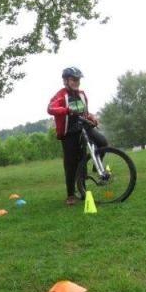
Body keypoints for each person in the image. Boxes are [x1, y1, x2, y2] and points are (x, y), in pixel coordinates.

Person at [47, 67, 107, 205]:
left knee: (102, 143)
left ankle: (95, 168)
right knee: (71, 164)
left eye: (78, 80)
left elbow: (85, 112)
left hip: (83, 127)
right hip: (69, 133)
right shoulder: (60, 95)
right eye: (74, 79)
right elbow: (50, 109)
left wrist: (92, 117)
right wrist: (67, 110)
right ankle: (71, 195)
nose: (77, 82)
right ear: (66, 81)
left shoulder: (82, 94)